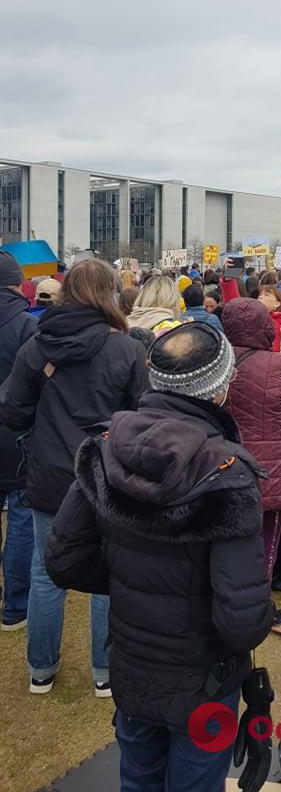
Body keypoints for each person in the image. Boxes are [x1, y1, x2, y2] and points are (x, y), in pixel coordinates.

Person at [45, 322, 273, 792]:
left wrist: (134, 580)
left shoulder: (106, 447)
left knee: (139, 779)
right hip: (202, 677)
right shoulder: (228, 476)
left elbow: (65, 558)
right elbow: (241, 620)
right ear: (222, 389)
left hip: (134, 664)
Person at [0, 259, 149, 696]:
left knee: (52, 572)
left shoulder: (112, 347)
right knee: (95, 571)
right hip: (98, 470)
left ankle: (53, 668)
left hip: (67, 469)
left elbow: (11, 409)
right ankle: (80, 670)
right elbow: (143, 414)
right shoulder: (48, 344)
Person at [222, 299, 281, 622]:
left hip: (224, 464)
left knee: (228, 538)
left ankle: (232, 599)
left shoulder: (215, 359)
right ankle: (256, 609)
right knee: (266, 540)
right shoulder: (279, 364)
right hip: (271, 469)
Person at [0, 252, 37, 631]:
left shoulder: (28, 324)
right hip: (15, 432)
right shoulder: (26, 325)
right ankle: (14, 607)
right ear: (16, 284)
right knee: (22, 518)